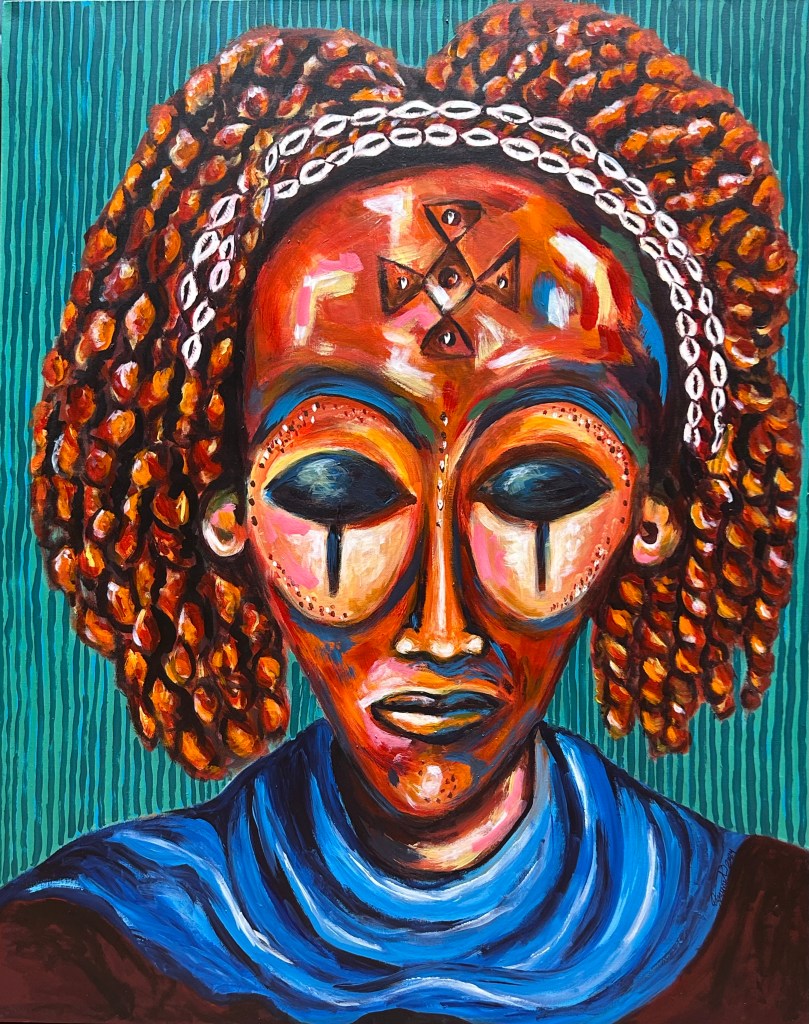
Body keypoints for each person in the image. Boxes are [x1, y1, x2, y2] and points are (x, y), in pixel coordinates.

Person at [1, 2, 806, 1022]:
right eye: (338, 493)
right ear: (230, 518)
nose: (440, 625)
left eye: (539, 492)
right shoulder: (70, 964)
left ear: (645, 520)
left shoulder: (774, 947)